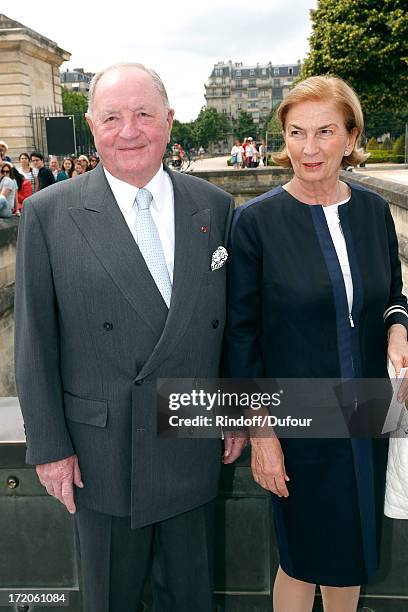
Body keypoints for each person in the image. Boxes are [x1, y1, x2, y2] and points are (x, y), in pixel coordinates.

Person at [14, 62, 246, 612]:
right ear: (92, 126)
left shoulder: (214, 206)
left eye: (144, 114)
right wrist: (50, 448)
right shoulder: (48, 213)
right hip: (101, 455)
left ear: (169, 121)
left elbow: (235, 325)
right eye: (113, 117)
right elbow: (34, 343)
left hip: (192, 442)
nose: (130, 130)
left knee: (192, 597)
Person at [224, 75, 408, 612]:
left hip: (368, 415)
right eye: (297, 132)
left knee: (352, 549)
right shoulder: (254, 222)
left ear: (351, 138)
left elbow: (394, 297)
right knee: (302, 557)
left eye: (325, 131)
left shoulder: (374, 212)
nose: (309, 148)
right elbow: (242, 337)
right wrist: (261, 434)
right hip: (299, 422)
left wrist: (397, 329)